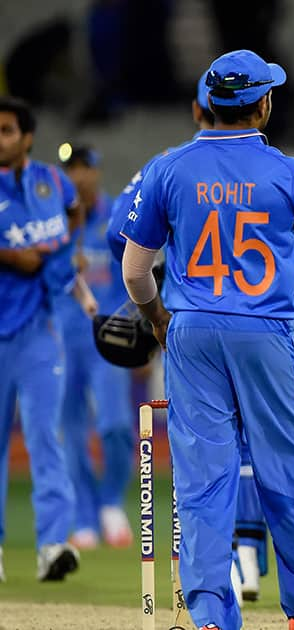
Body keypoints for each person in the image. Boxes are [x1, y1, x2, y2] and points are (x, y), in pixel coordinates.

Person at [120, 49, 294, 630]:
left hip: (191, 329)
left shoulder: (167, 169)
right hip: (266, 330)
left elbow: (134, 272)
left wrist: (158, 319)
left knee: (203, 476)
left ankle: (212, 618)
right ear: (264, 105)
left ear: (211, 104)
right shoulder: (292, 173)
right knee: (287, 473)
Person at [0, 96, 97, 582]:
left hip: (39, 328)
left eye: (6, 130)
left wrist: (62, 253)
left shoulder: (50, 180)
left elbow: (74, 211)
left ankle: (52, 545)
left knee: (45, 437)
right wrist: (10, 256)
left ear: (27, 137)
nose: (0, 139)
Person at [56, 143, 135, 551]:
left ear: (97, 173)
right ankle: (84, 515)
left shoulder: (117, 219)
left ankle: (109, 502)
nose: (78, 176)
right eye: (71, 169)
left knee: (116, 425)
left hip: (109, 337)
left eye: (85, 168)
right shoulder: (55, 222)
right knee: (70, 432)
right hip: (63, 338)